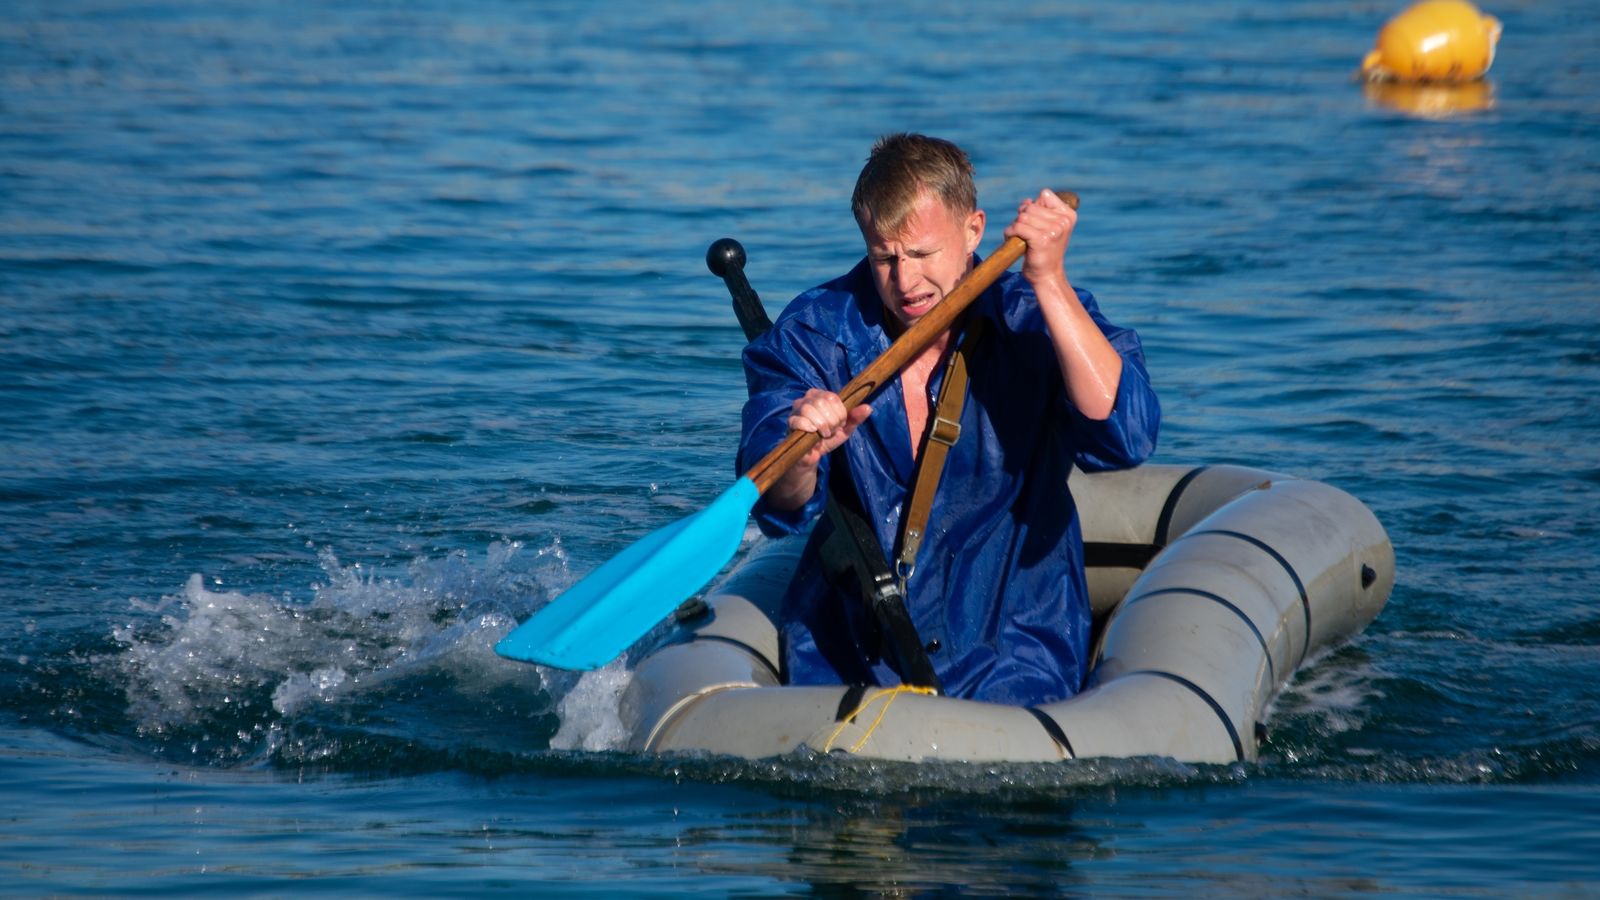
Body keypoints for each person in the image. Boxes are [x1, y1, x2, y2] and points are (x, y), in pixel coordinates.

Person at [737, 134, 1159, 707]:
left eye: (921, 255)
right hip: (848, 652)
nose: (905, 282)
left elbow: (1126, 437)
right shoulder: (814, 334)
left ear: (973, 231)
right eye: (884, 257)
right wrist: (803, 454)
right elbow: (777, 500)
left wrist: (1050, 280)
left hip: (1013, 649)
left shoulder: (1035, 316)